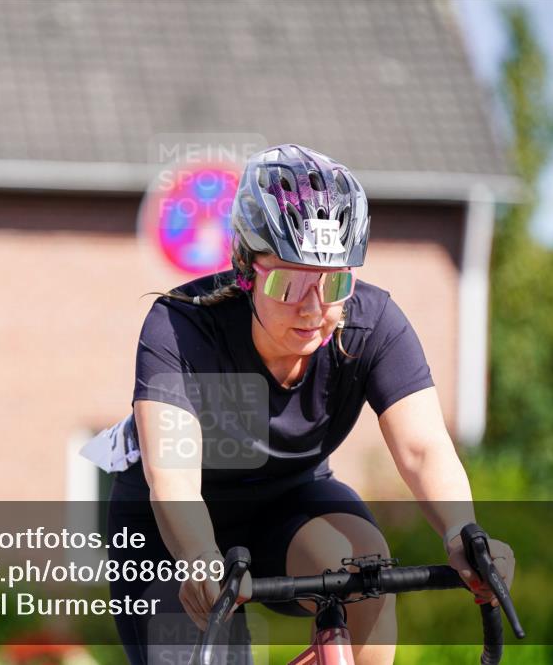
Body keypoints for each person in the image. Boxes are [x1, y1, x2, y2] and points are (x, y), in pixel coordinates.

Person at [84, 144, 515, 665]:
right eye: (289, 283)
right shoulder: (181, 328)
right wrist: (199, 557)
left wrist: (460, 532)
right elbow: (172, 476)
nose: (314, 309)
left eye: (335, 282)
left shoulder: (371, 322)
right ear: (247, 269)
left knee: (364, 574)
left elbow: (423, 448)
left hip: (289, 503)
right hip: (170, 527)